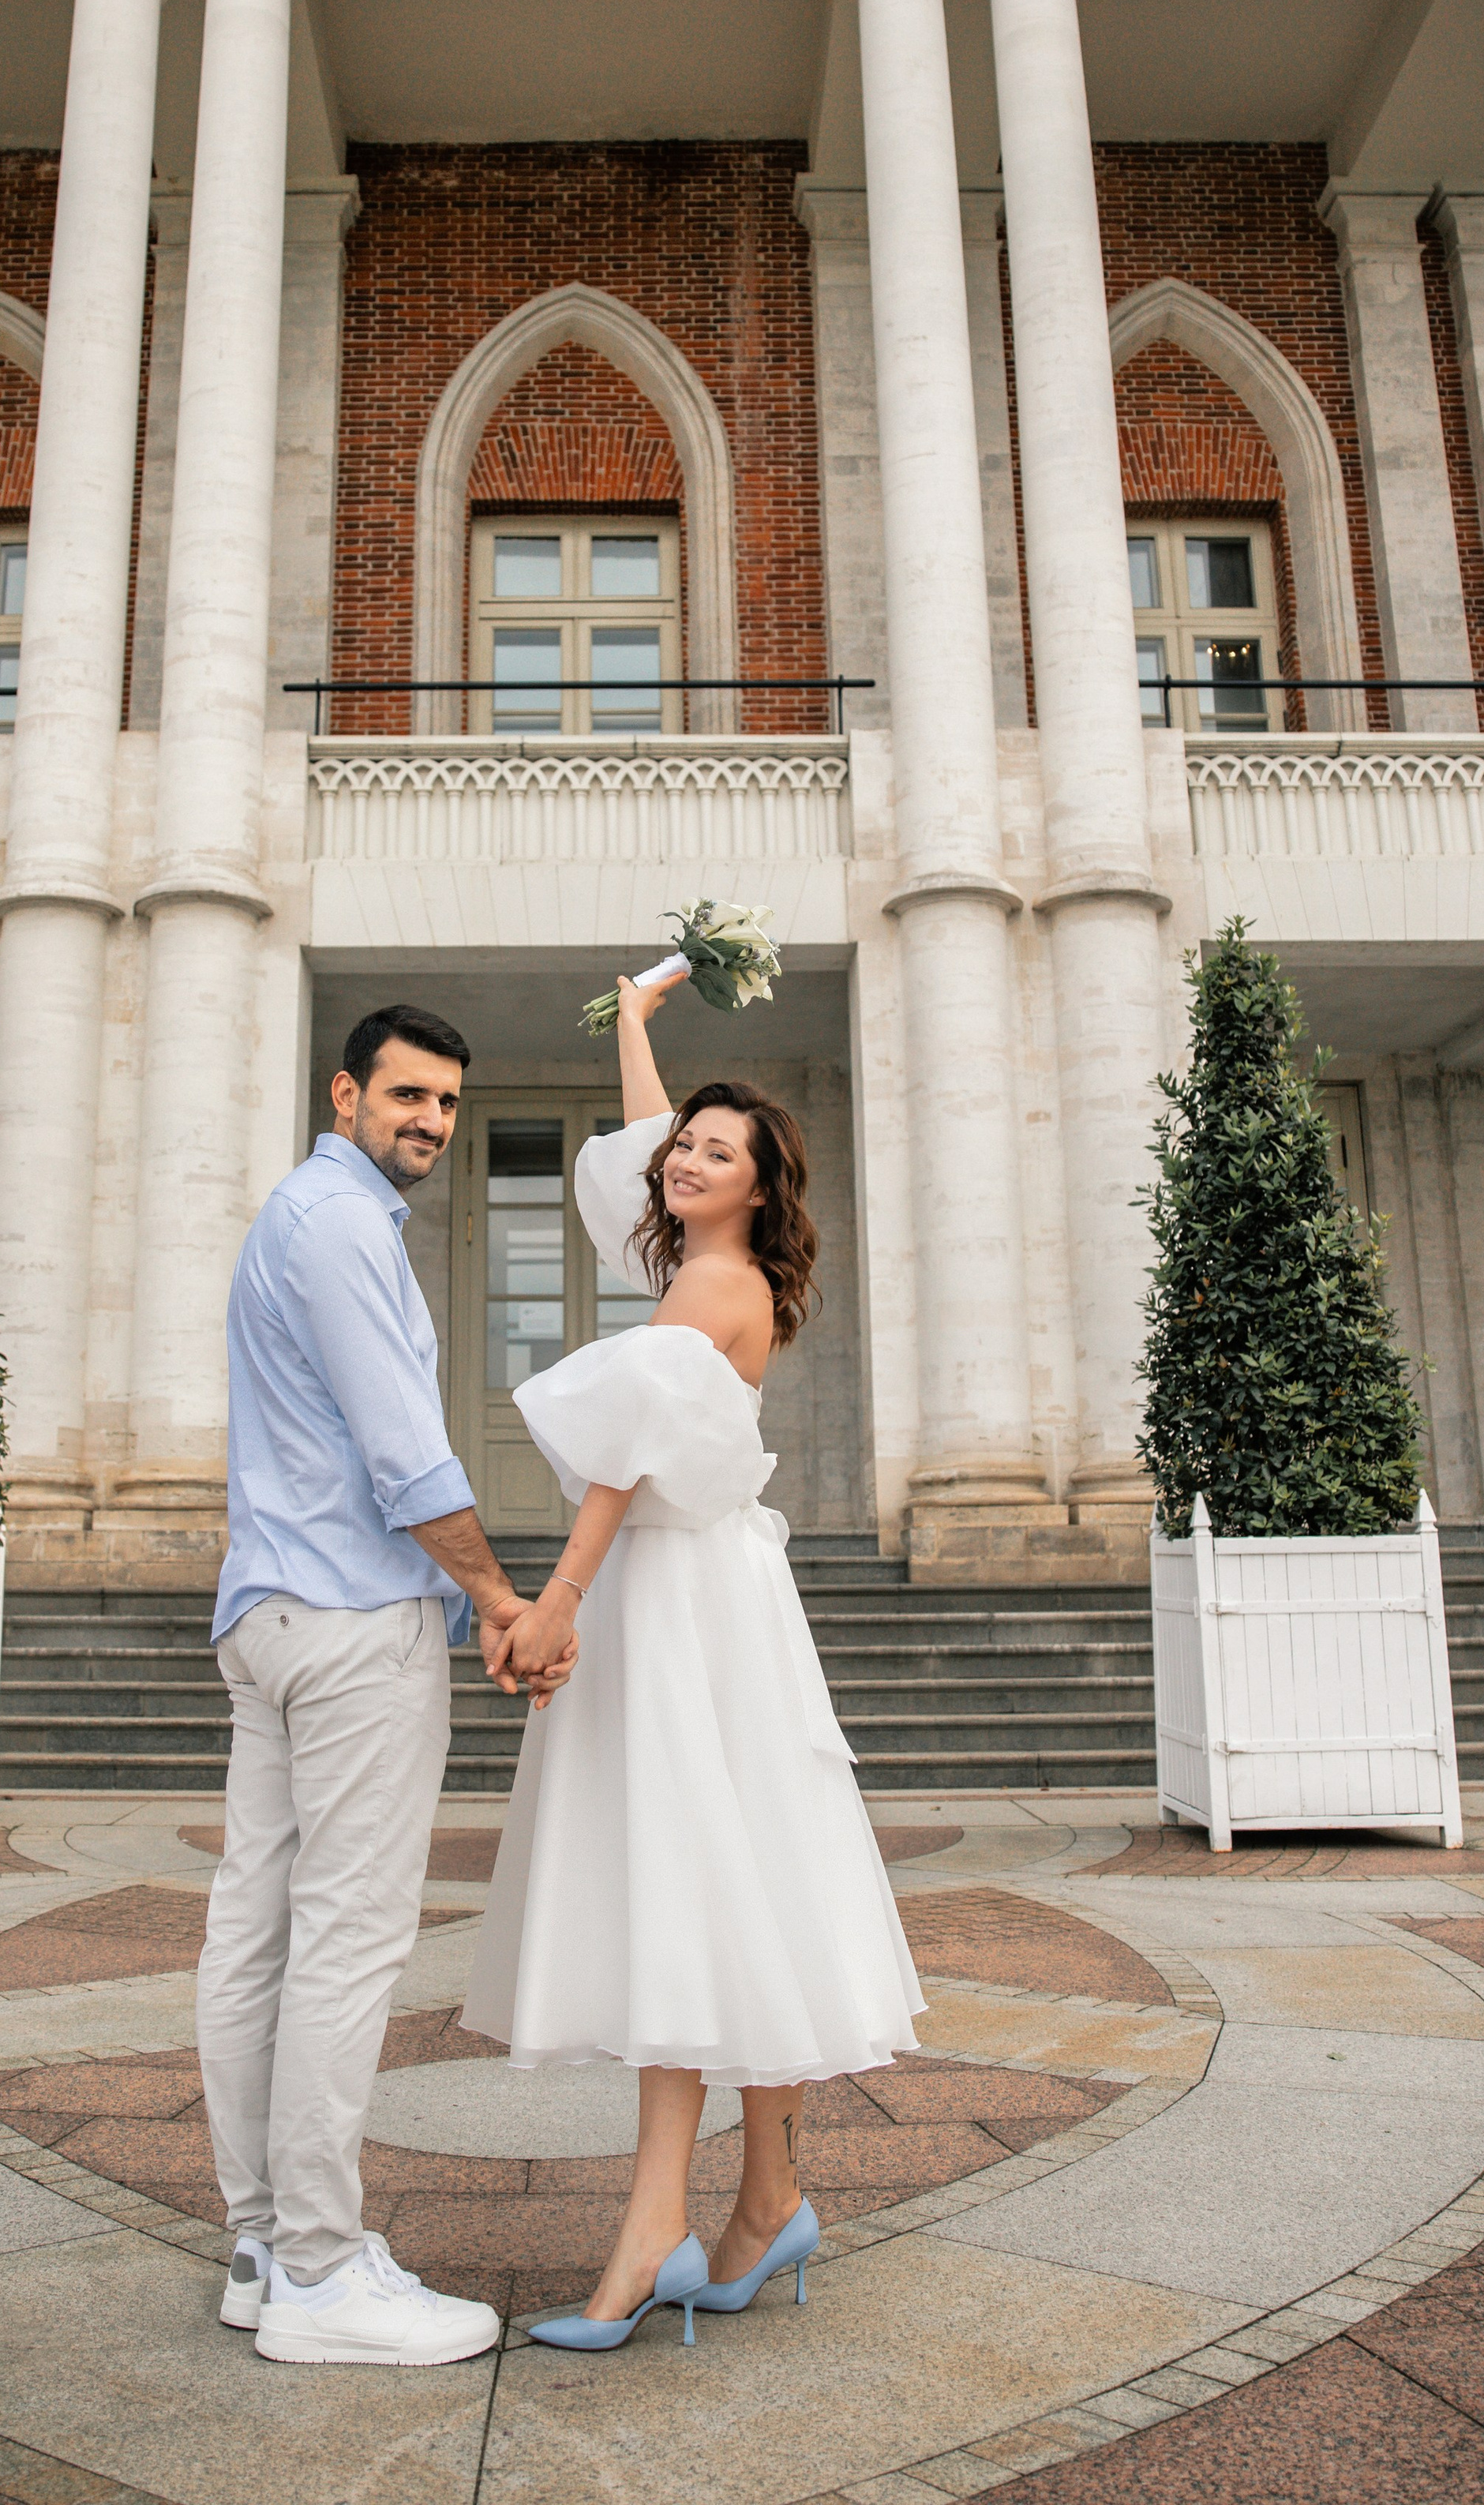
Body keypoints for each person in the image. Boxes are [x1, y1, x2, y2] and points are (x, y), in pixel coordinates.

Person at [462, 977, 925, 2348]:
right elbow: (646, 1132)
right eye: (685, 1149)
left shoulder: (710, 1284)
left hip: (672, 1591)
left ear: (756, 1188)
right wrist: (630, 1015)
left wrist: (555, 1603)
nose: (684, 1157)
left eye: (717, 1152)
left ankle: (663, 2224)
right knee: (736, 1871)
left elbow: (620, 1469)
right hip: (721, 1592)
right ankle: (766, 2196)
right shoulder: (700, 1267)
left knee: (683, 1872)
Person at [196, 1001, 574, 2368]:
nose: (428, 1122)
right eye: (406, 1096)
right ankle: (314, 2272)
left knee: (258, 1934)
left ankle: (262, 2246)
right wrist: (494, 1593)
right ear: (345, 1091)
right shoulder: (344, 1225)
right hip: (352, 1624)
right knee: (345, 1941)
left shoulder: (300, 1217)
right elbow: (406, 1451)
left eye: (448, 1105)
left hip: (274, 1611)